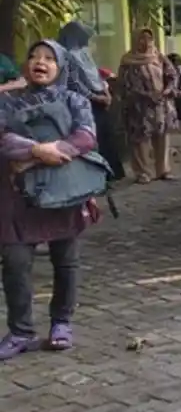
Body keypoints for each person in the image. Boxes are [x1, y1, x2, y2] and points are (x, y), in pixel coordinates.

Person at [0, 40, 106, 359]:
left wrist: (46, 154)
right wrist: (36, 149)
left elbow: (86, 137)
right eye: (34, 56)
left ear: (60, 66)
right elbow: (2, 138)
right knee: (15, 262)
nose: (40, 62)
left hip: (64, 191)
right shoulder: (8, 101)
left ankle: (62, 323)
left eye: (49, 58)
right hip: (19, 196)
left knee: (66, 260)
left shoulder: (75, 100)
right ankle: (21, 332)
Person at [58, 22, 124, 183]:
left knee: (107, 135)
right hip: (84, 103)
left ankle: (113, 172)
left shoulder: (84, 53)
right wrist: (95, 97)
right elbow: (75, 84)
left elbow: (96, 75)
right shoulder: (66, 56)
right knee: (93, 137)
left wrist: (106, 93)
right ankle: (99, 175)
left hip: (100, 98)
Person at [119, 28, 178, 183]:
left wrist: (167, 90)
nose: (146, 42)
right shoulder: (128, 60)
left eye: (149, 38)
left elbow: (172, 75)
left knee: (162, 136)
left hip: (161, 104)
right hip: (139, 106)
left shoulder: (158, 56)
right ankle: (143, 172)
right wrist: (146, 95)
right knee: (140, 140)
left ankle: (163, 170)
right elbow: (125, 84)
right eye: (141, 38)